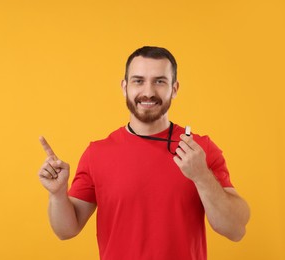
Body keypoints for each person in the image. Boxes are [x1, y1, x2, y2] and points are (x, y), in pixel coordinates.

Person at [38, 46, 250, 260]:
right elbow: (66, 230)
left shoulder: (199, 150)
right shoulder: (97, 153)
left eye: (160, 81)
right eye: (138, 81)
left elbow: (235, 229)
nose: (148, 92)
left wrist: (201, 176)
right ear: (124, 87)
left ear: (174, 89)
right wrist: (57, 194)